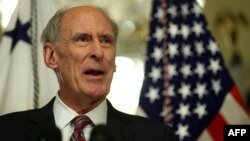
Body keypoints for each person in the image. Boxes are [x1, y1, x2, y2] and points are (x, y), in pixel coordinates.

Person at [0, 5, 176, 141]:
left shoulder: (156, 136)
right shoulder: (6, 131)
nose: (98, 52)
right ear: (51, 55)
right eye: (83, 39)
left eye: (106, 40)